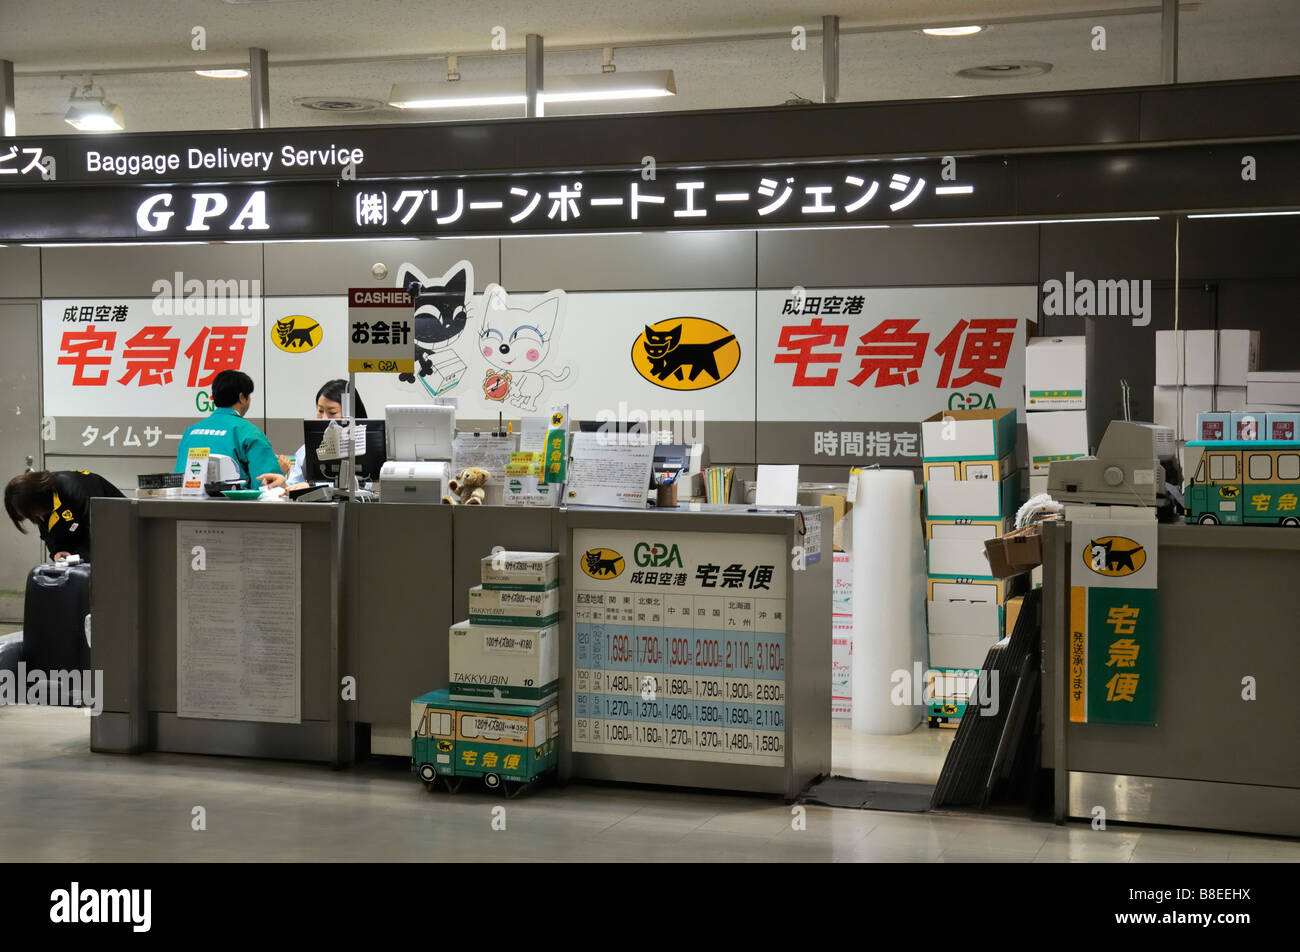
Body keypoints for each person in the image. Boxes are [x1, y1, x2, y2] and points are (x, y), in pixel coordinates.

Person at [173, 370, 286, 490]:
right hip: (233, 506)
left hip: (186, 504)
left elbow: (178, 480)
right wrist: (279, 473)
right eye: (249, 396)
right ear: (242, 397)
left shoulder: (190, 432)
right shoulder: (250, 433)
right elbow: (266, 488)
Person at [5, 469, 125, 561]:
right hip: (87, 538)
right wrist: (58, 552)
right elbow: (50, 536)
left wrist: (76, 556)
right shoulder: (43, 503)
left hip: (117, 529)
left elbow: (100, 538)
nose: (34, 518)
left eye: (31, 513)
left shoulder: (73, 491)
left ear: (37, 502)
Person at [280, 379, 368, 486]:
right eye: (320, 411)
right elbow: (293, 485)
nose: (324, 418)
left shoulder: (361, 447)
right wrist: (281, 484)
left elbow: (363, 485)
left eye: (332, 412)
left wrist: (311, 487)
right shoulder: (305, 450)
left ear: (350, 413)